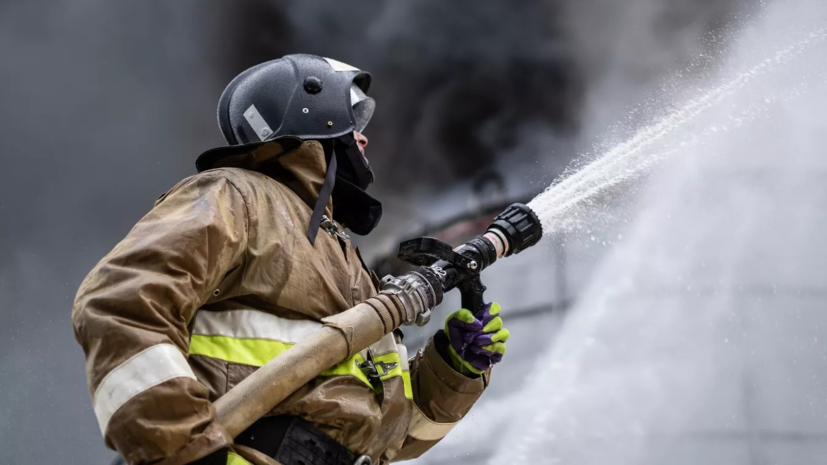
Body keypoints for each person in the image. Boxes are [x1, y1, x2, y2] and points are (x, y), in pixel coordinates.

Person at [72, 54, 509, 465]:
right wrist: (183, 448)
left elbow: (392, 438)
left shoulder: (345, 258)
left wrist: (455, 370)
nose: (364, 134)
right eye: (353, 114)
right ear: (310, 111)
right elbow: (120, 304)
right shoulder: (235, 196)